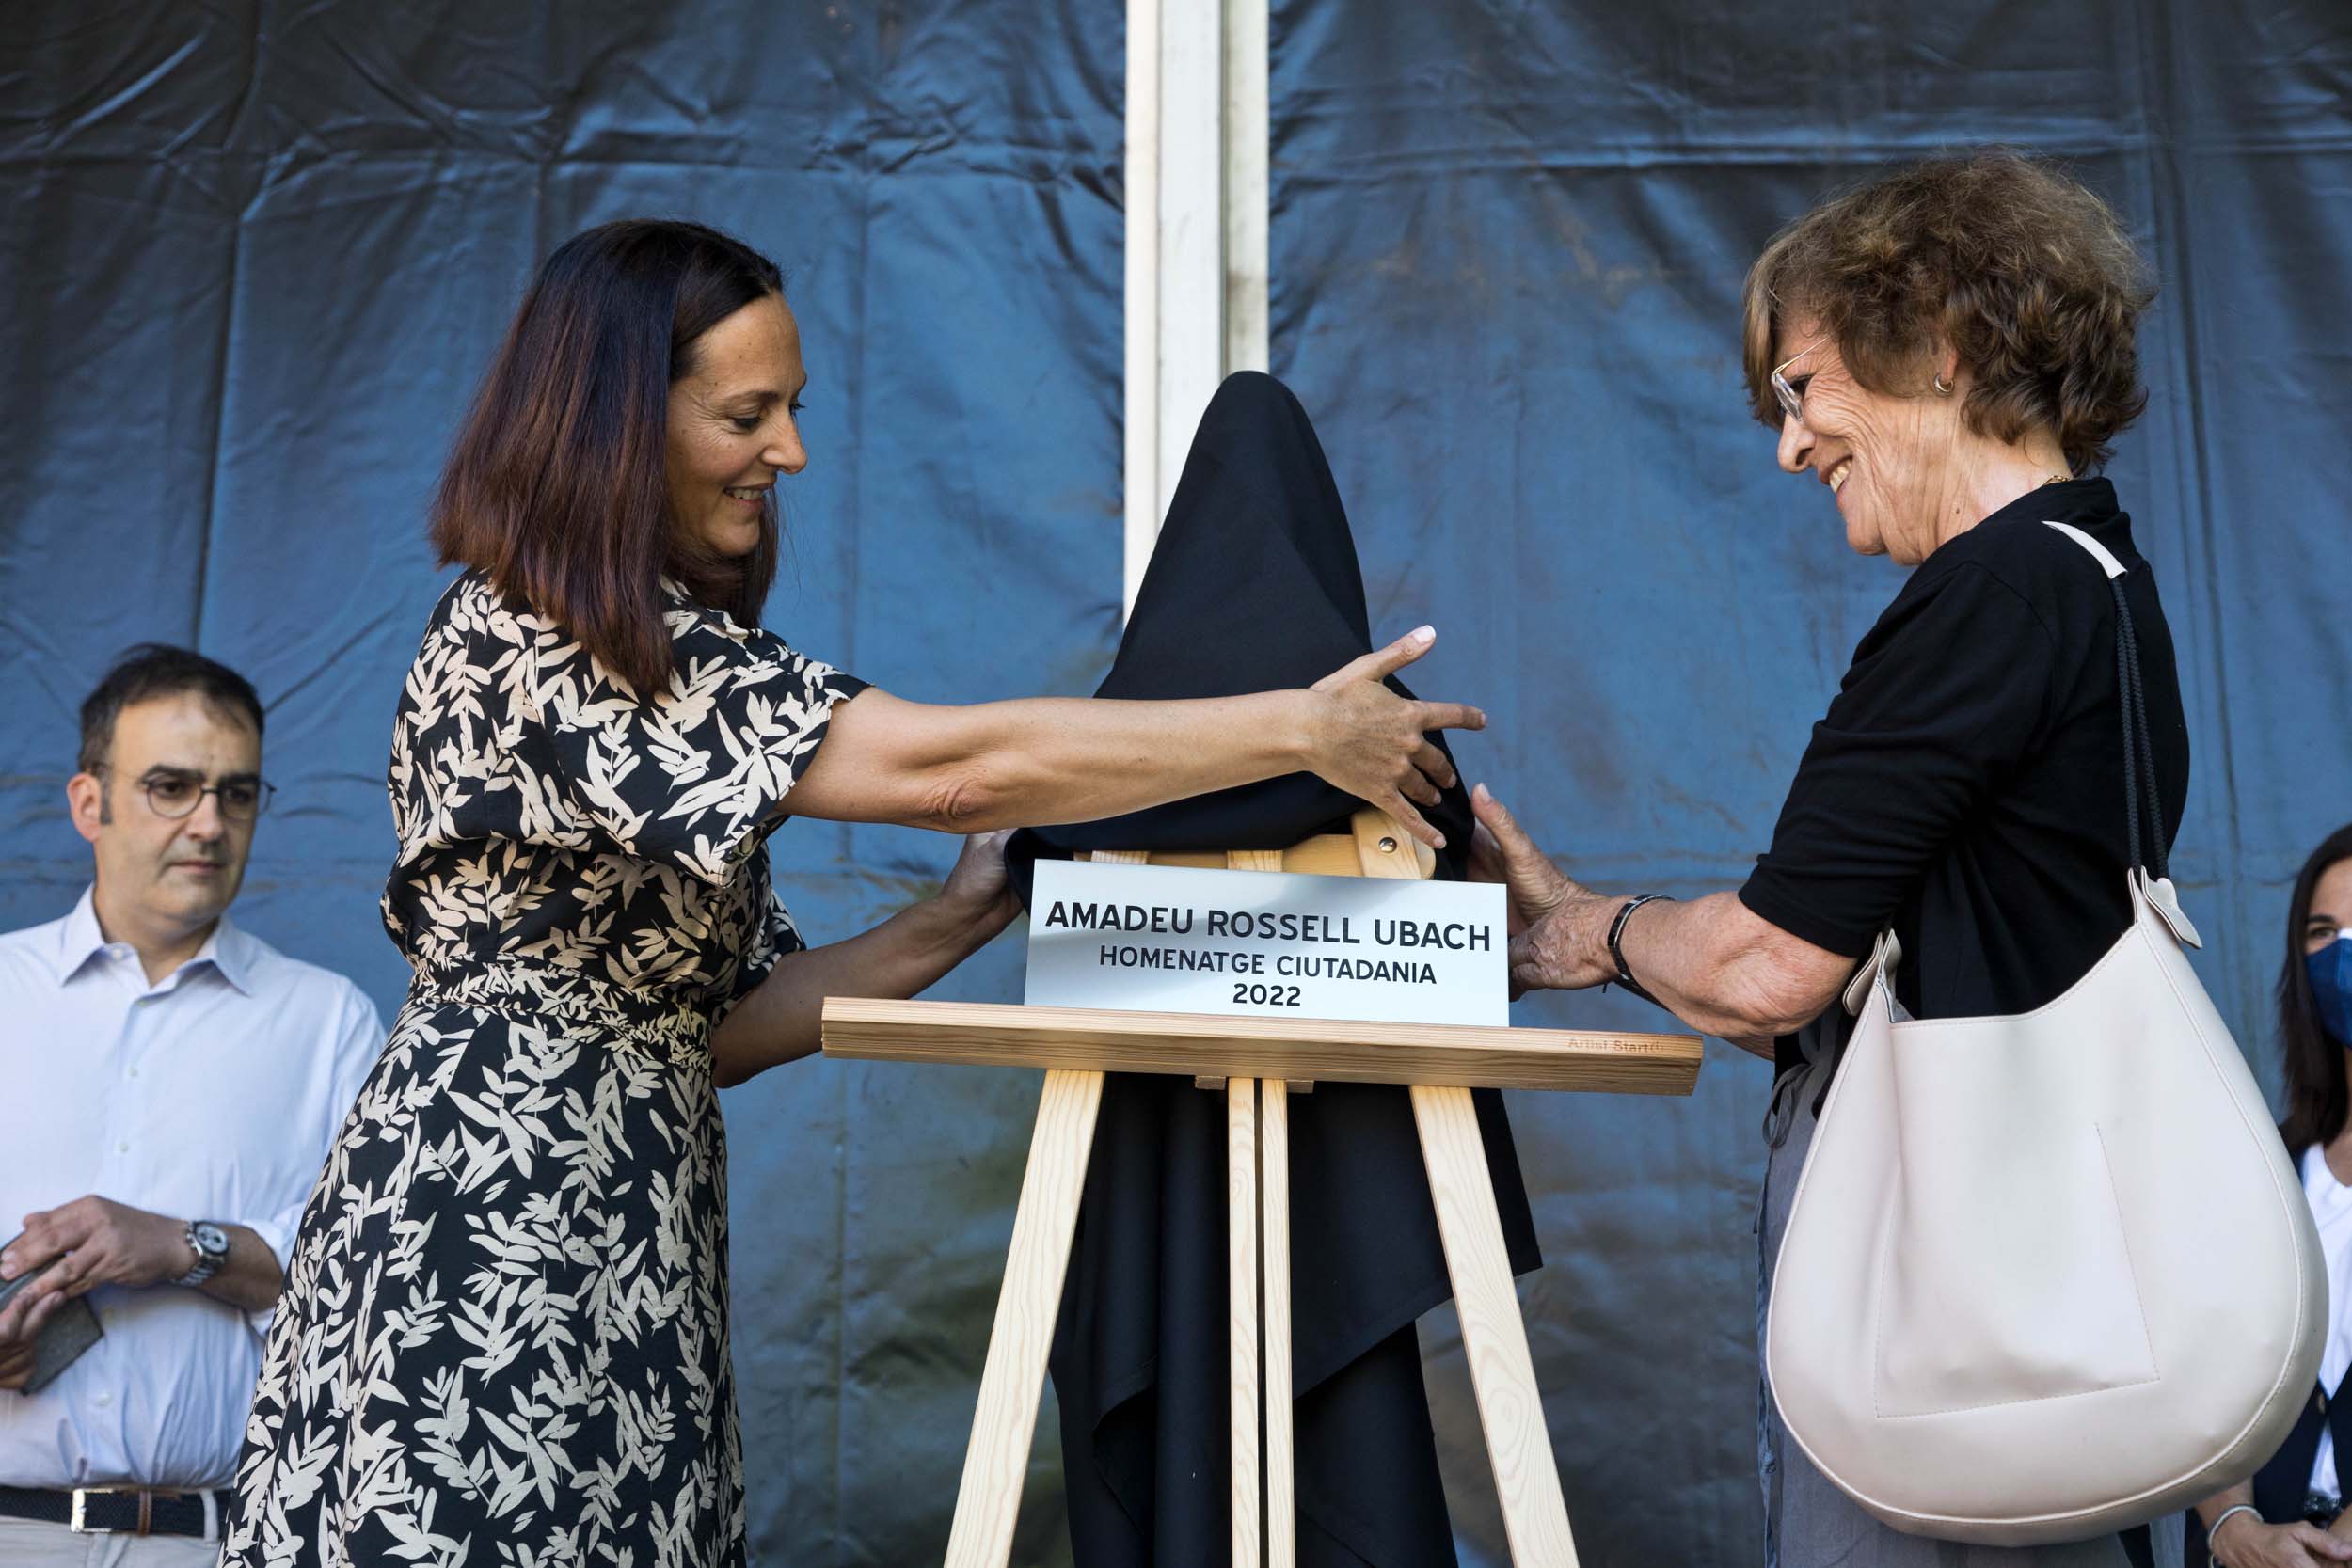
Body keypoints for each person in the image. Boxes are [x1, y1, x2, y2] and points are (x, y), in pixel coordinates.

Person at [217, 220, 1486, 1568]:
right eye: (746, 413)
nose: (791, 453)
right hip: (485, 1230)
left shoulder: (659, 647)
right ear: (610, 424)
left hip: (632, 1224)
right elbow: (954, 765)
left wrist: (961, 913)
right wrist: (1295, 729)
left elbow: (720, 1027)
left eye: (796, 408)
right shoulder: (543, 640)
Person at [1470, 149, 2174, 1565]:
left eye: (1802, 389)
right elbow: (1907, 999)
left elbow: (1773, 967)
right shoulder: (2100, 577)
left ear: (1946, 345)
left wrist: (1572, 932)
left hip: (1951, 1323)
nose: (1789, 445)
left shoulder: (1984, 594)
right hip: (2047, 1306)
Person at [1009, 371, 1539, 1567]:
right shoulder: (1383, 730)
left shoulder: (1107, 743)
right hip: (1338, 1151)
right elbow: (1452, 838)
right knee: (1345, 1433)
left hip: (1147, 1150)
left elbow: (1031, 857)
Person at [0, 645, 384, 1563]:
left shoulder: (329, 1022)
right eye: (170, 786)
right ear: (87, 802)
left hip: (217, 1543)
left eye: (237, 793)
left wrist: (185, 1243)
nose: (209, 823)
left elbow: (380, 1285)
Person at [2186, 826, 2352, 1568]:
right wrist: (2236, 1529)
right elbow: (2202, 1374)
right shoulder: (2260, 1167)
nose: (2344, 952)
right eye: (2324, 932)